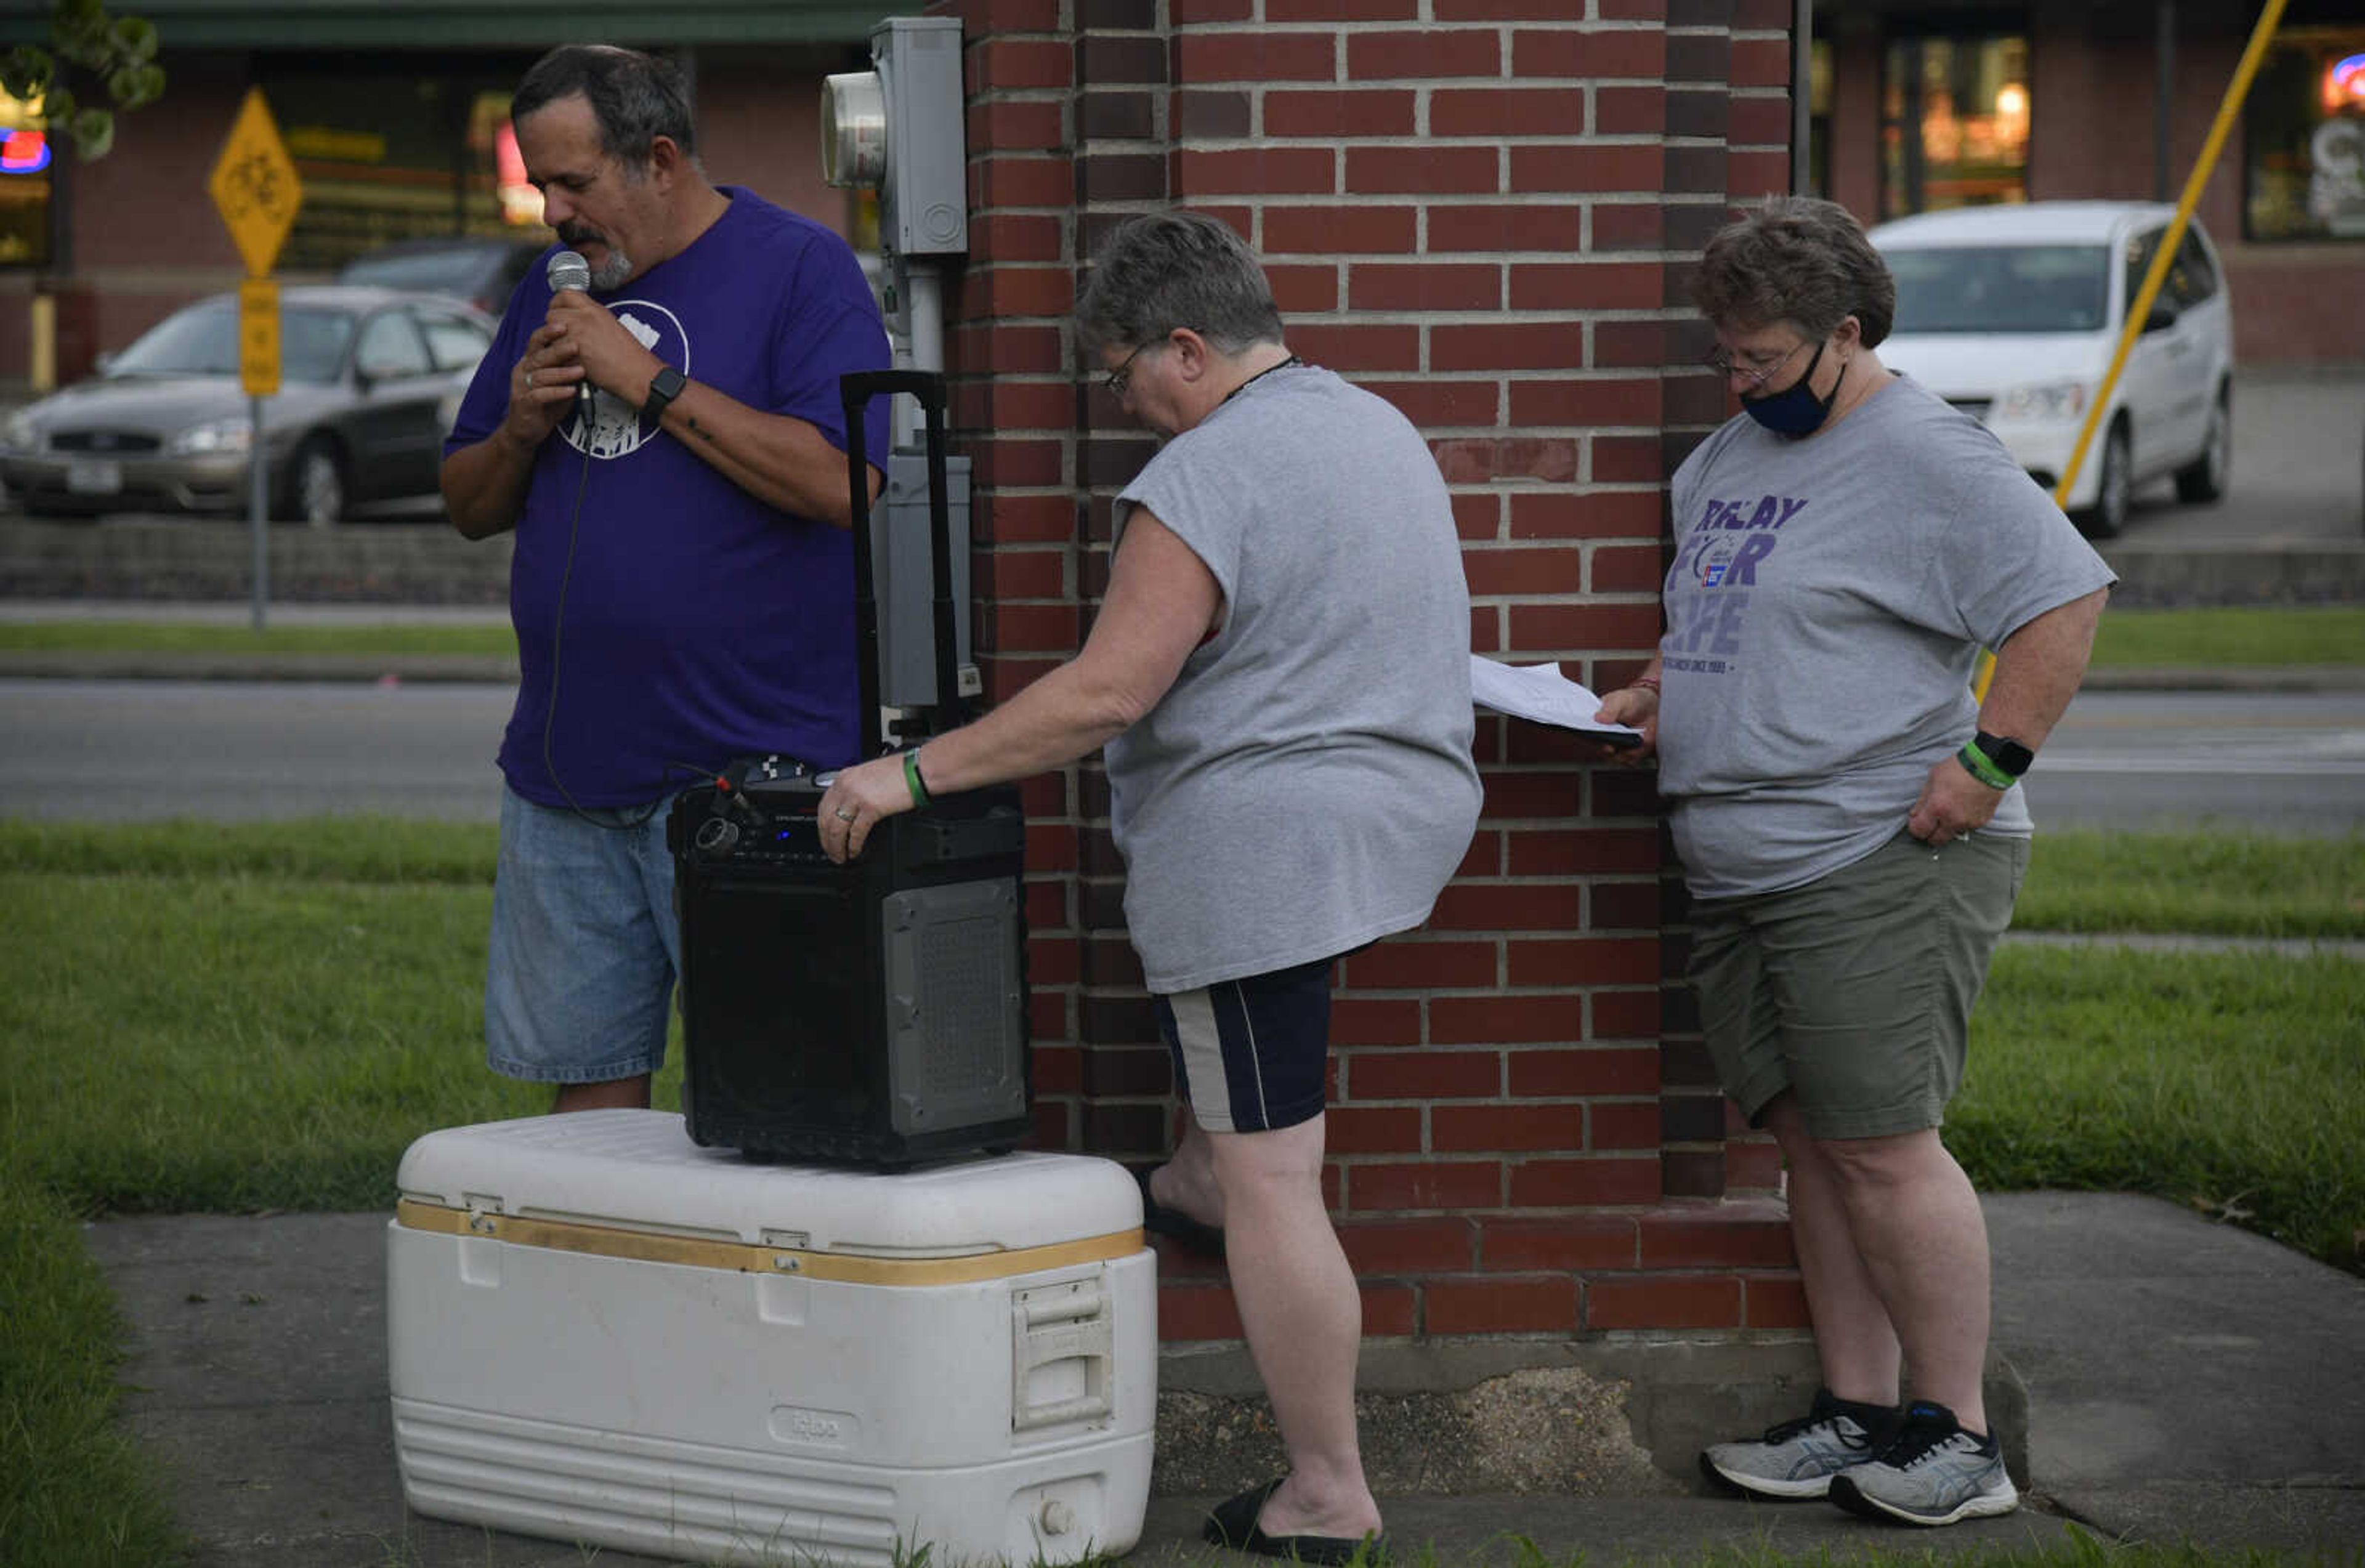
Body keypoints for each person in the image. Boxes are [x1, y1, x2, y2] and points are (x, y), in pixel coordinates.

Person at [816, 210, 1480, 1562]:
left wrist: (910, 775)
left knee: (1276, 1175)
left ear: (1188, 348)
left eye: (1122, 374)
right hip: (1390, 822)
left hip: (1261, 859)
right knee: (1230, 1142)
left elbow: (1108, 693)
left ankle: (1325, 1487)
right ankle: (1188, 1171)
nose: (1122, 407)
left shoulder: (1206, 476)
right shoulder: (1374, 426)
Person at [1589, 196, 2115, 1527]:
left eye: (1759, 358)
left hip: (1875, 852)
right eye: (1726, 355)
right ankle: (1859, 1413)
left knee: (1884, 1148)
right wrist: (1666, 687)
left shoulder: (1928, 453)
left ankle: (1961, 1438)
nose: (1737, 380)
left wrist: (1987, 765)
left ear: (1843, 333)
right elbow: (1750, 622)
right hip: (1742, 863)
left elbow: (2065, 597)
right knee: (1813, 1153)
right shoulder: (1719, 461)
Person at [440, 44, 890, 1114]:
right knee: (590, 1131)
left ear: (658, 160)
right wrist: (519, 427)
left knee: (782, 1105)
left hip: (749, 782)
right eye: (539, 184)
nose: (552, 212)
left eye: (575, 184)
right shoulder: (552, 298)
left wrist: (644, 379)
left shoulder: (797, 270)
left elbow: (844, 481)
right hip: (567, 780)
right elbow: (467, 504)